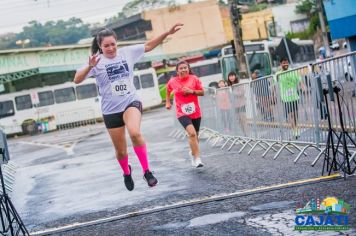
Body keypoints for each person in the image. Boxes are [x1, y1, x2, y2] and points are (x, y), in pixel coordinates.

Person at [74, 23, 183, 191]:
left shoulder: (127, 53)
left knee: (135, 132)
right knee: (121, 152)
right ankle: (126, 171)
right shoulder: (96, 61)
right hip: (110, 110)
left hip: (130, 102)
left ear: (117, 43)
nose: (110, 48)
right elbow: (77, 79)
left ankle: (147, 171)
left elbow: (148, 45)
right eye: (106, 46)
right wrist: (90, 66)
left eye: (113, 44)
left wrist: (167, 31)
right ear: (100, 47)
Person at [165, 61, 205, 168]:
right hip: (181, 112)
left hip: (195, 112)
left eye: (185, 68)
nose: (183, 70)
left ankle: (192, 153)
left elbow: (202, 92)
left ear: (188, 69)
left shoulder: (194, 78)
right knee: (191, 133)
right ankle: (197, 159)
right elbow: (167, 90)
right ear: (177, 71)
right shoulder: (173, 81)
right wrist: (168, 101)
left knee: (196, 136)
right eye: (181, 68)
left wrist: (191, 91)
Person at [274, 58, 305, 138]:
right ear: (281, 64)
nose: (286, 64)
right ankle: (295, 131)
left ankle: (295, 128)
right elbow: (275, 81)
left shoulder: (293, 71)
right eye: (284, 63)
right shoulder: (278, 73)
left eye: (287, 63)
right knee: (291, 115)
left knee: (295, 115)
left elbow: (299, 80)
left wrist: (303, 86)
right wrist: (274, 94)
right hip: (285, 98)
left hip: (294, 97)